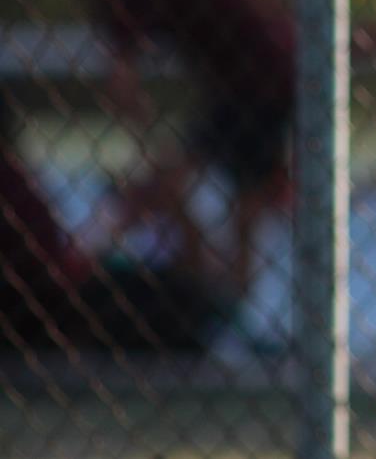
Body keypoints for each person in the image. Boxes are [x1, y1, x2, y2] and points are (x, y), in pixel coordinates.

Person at [31, 0, 294, 318]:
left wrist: (146, 143)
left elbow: (122, 79)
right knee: (237, 202)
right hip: (251, 82)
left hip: (257, 84)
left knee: (183, 187)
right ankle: (223, 304)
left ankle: (215, 303)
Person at [1, 89, 228, 357]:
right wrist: (121, 216)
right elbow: (62, 268)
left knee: (174, 296)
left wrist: (178, 212)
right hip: (51, 307)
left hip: (134, 299)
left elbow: (217, 282)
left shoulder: (206, 201)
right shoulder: (72, 190)